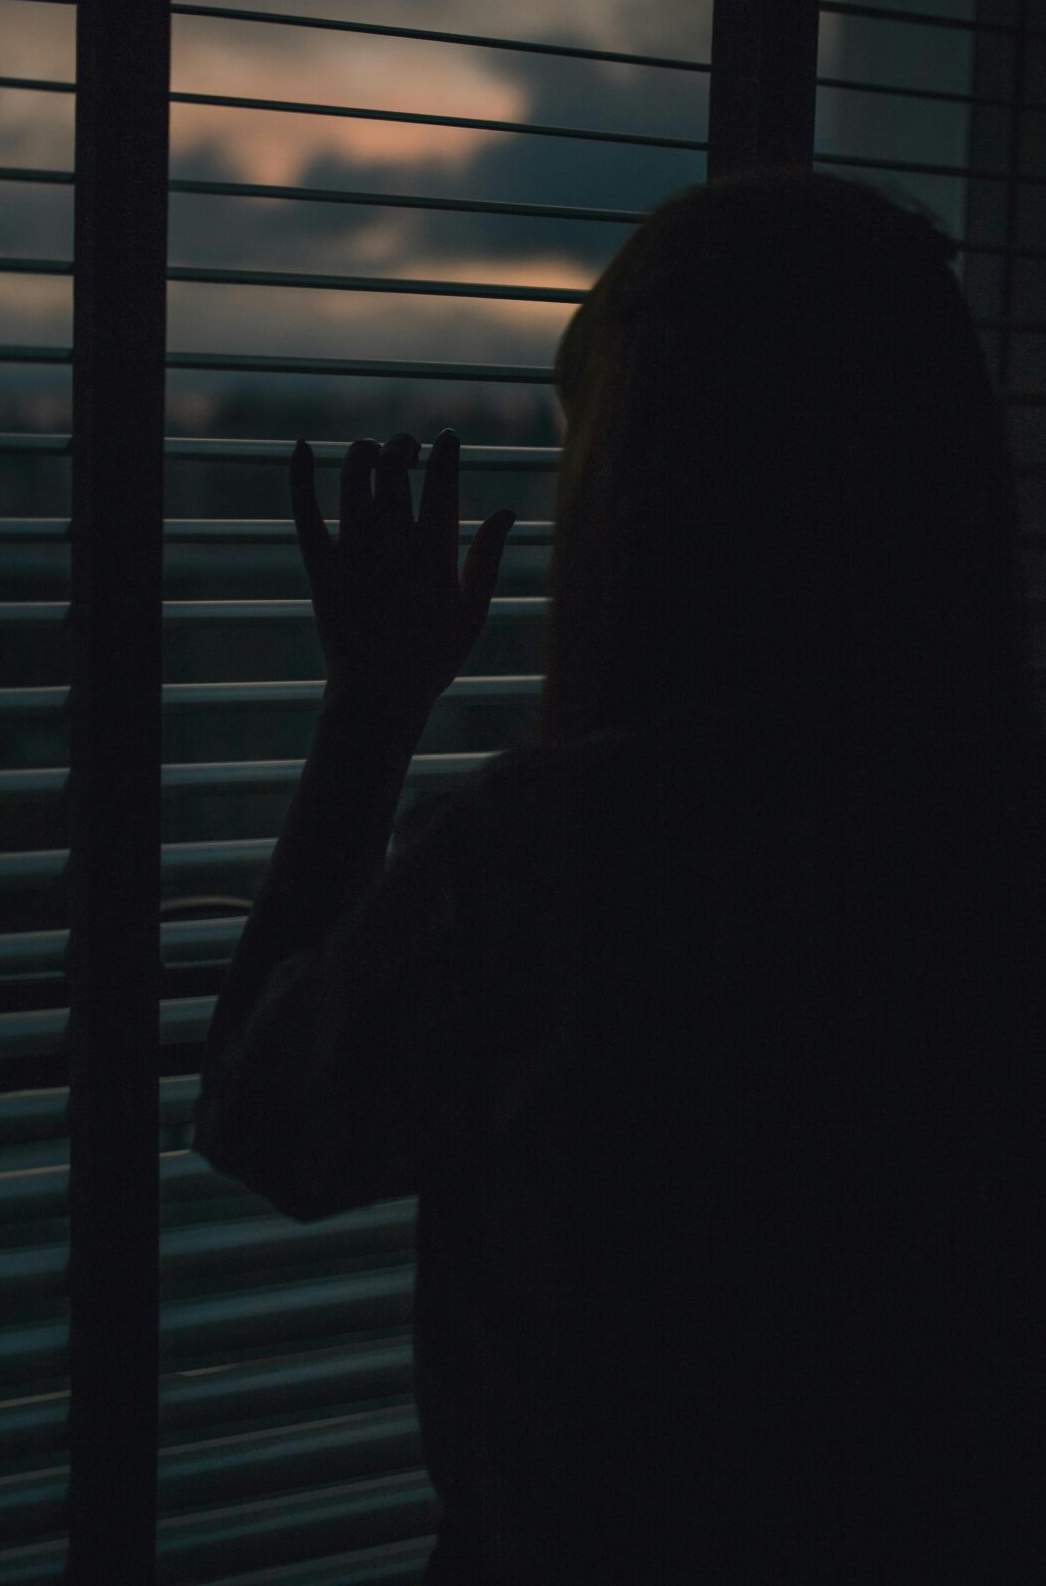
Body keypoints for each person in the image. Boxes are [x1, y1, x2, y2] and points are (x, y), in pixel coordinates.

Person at [191, 166, 1045, 1582]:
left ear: (651, 484)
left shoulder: (563, 860)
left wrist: (371, 713)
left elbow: (263, 1117)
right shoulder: (985, 841)